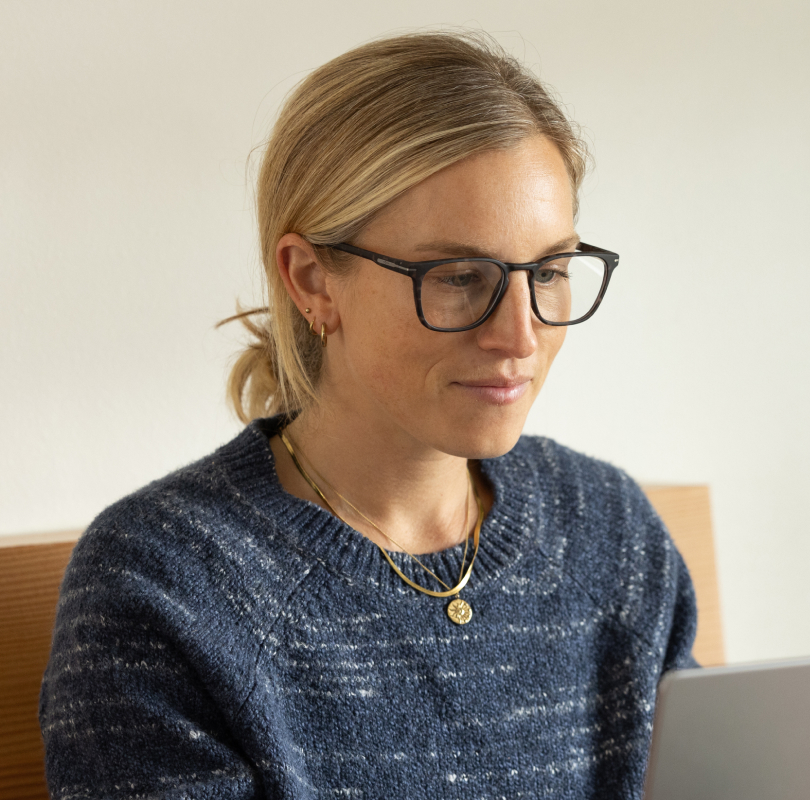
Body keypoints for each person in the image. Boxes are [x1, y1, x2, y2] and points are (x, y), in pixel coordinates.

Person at [40, 31, 696, 799]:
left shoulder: (606, 526)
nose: (521, 334)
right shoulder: (164, 584)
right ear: (314, 280)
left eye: (548, 271)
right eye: (459, 277)